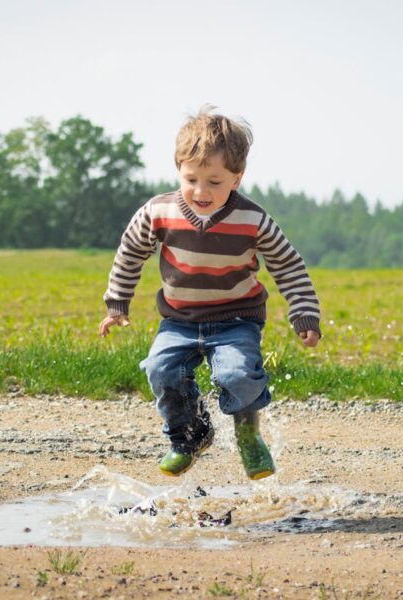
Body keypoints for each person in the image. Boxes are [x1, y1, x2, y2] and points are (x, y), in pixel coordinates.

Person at [99, 106, 321, 480]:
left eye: (215, 182)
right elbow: (130, 251)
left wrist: (304, 314)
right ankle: (190, 436)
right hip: (179, 320)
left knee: (237, 375)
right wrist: (117, 302)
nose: (201, 191)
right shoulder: (159, 211)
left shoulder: (254, 220)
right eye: (191, 179)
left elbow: (288, 265)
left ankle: (248, 432)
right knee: (160, 369)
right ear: (179, 170)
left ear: (237, 178)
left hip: (237, 320)